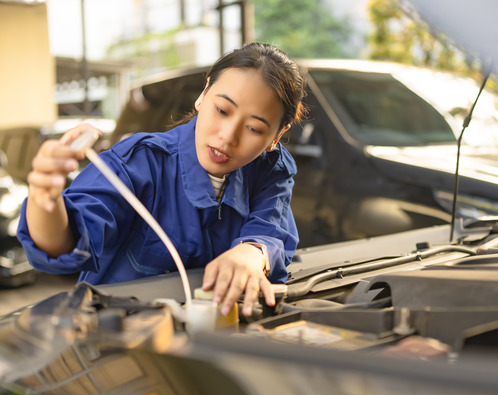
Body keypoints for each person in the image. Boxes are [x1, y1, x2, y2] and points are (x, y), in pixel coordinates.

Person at [17, 42, 306, 318]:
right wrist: (45, 200)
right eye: (222, 110)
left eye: (254, 128)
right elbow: (65, 246)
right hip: (119, 339)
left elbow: (271, 229)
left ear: (276, 137)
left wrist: (252, 254)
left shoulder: (271, 169)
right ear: (204, 94)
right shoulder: (136, 163)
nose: (227, 136)